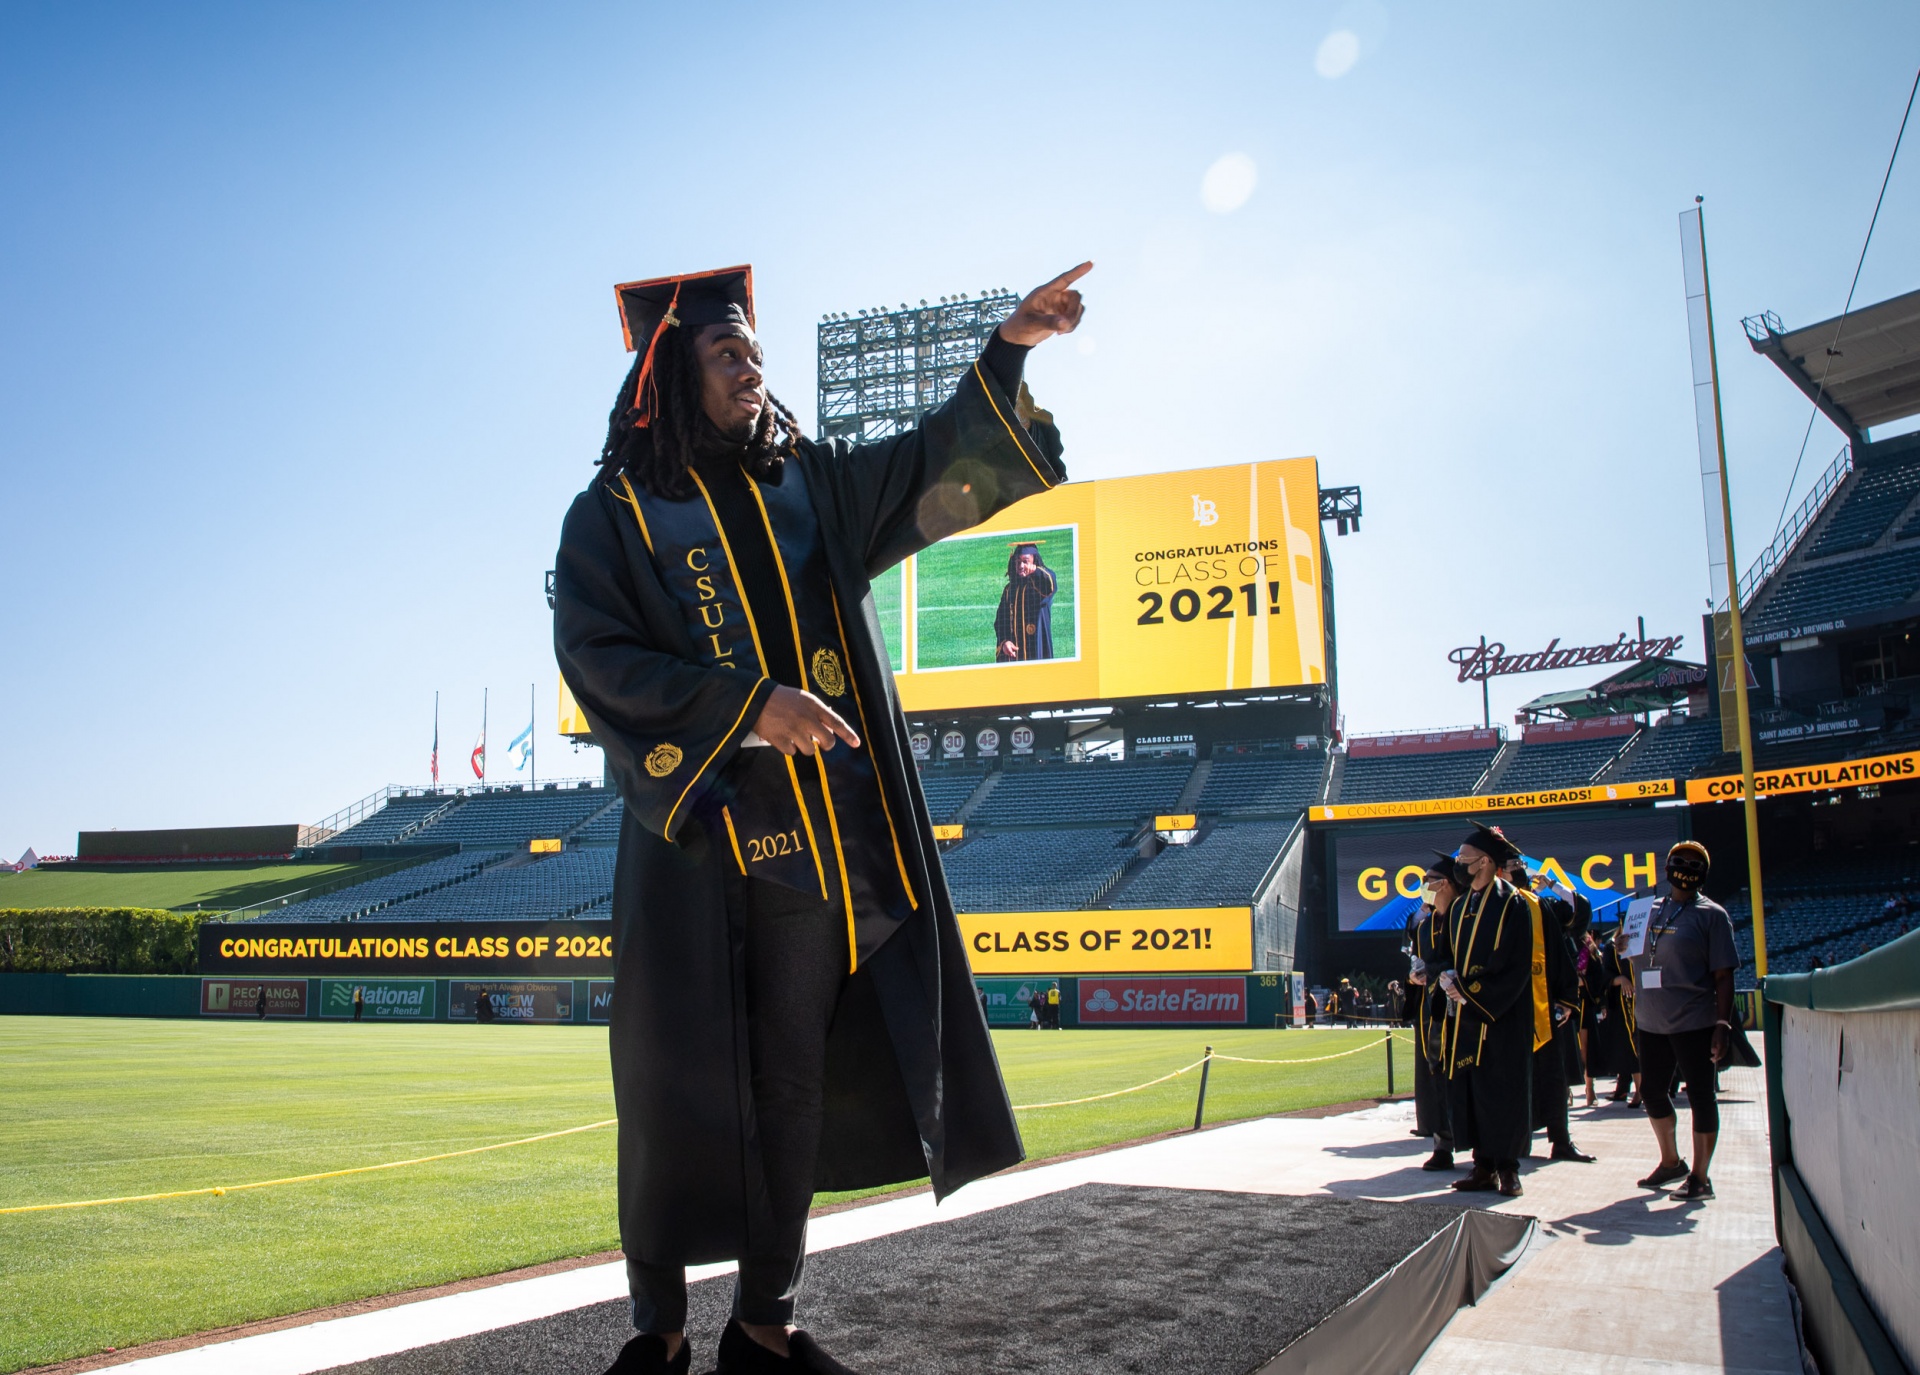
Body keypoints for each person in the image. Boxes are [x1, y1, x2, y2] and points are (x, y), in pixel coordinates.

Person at [555, 261, 1088, 1375]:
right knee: (668, 1085)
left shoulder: (808, 482)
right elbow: (595, 654)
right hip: (697, 843)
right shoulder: (611, 513)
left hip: (828, 858)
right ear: (666, 375)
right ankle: (656, 1331)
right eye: (725, 352)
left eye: (755, 351)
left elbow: (934, 465)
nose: (752, 366)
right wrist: (748, 707)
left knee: (794, 1083)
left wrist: (1009, 353)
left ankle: (764, 1322)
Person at [1623, 840, 1737, 1202]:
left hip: (1695, 1020)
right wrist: (1622, 943)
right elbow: (1629, 953)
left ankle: (1701, 1178)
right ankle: (1671, 1161)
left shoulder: (1712, 915)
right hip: (1651, 1019)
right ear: (1668, 866)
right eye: (1680, 861)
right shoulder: (1646, 910)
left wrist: (1723, 1024)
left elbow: (1723, 975)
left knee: (1701, 1096)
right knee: (1653, 1092)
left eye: (1695, 863)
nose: (1686, 867)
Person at [1435, 825, 1539, 1198]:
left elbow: (1515, 966)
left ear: (1486, 862)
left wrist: (1472, 992)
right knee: (1474, 1091)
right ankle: (1482, 1166)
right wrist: (1444, 974)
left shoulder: (1514, 904)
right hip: (1466, 1017)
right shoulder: (1461, 905)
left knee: (1504, 1091)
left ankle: (1508, 1168)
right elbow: (1448, 952)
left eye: (1465, 858)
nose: (1459, 864)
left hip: (1501, 1016)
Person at [1513, 861, 1595, 1164]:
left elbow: (1581, 910)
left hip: (1546, 1007)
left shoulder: (1545, 907)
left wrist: (1552, 886)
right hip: (1509, 1007)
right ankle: (1515, 1142)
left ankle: (1561, 1140)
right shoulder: (1494, 910)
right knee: (1513, 1079)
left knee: (1553, 1076)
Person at [1407, 852, 1464, 1172]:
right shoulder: (1426, 927)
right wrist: (1418, 974)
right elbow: (1425, 964)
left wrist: (1436, 969)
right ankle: (1443, 1144)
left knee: (1467, 1078)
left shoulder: (1466, 919)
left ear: (1445, 883)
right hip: (1437, 1013)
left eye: (1429, 880)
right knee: (1439, 1076)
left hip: (1468, 1009)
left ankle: (1484, 1150)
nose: (1424, 886)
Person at [994, 543, 1057, 662]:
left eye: (1025, 561)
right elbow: (1001, 621)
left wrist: (1035, 571)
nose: (1021, 566)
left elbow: (1050, 583)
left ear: (1034, 561)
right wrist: (1004, 642)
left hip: (1037, 648)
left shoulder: (1039, 586)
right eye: (1018, 562)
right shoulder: (1010, 590)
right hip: (1014, 654)